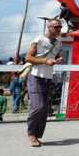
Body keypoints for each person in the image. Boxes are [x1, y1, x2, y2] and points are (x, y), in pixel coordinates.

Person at [25, 18, 64, 147]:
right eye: (56, 27)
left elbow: (56, 55)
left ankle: (36, 135)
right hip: (35, 76)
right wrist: (45, 61)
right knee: (38, 107)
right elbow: (28, 57)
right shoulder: (39, 40)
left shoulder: (58, 43)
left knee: (44, 109)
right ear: (49, 27)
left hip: (48, 78)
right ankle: (31, 135)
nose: (59, 29)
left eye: (60, 27)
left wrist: (58, 59)